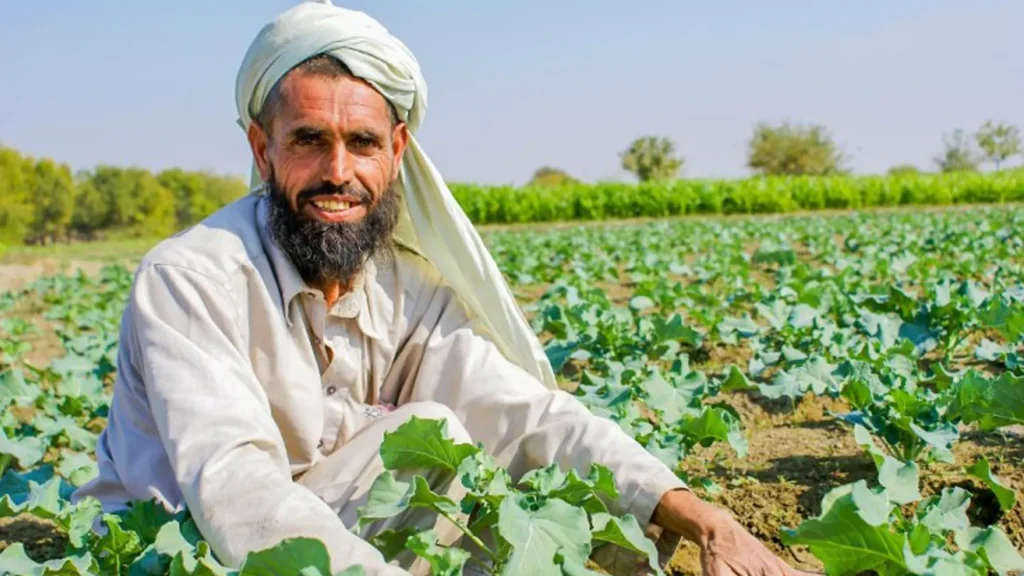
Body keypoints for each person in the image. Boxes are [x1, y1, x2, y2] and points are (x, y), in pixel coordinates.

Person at [73, 2, 816, 575]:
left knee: (452, 444)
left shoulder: (403, 286)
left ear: (396, 152)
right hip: (177, 548)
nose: (339, 171)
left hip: (325, 531)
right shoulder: (193, 277)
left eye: (362, 142)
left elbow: (528, 419)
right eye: (308, 140)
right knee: (424, 442)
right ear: (261, 149)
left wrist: (705, 519)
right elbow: (237, 488)